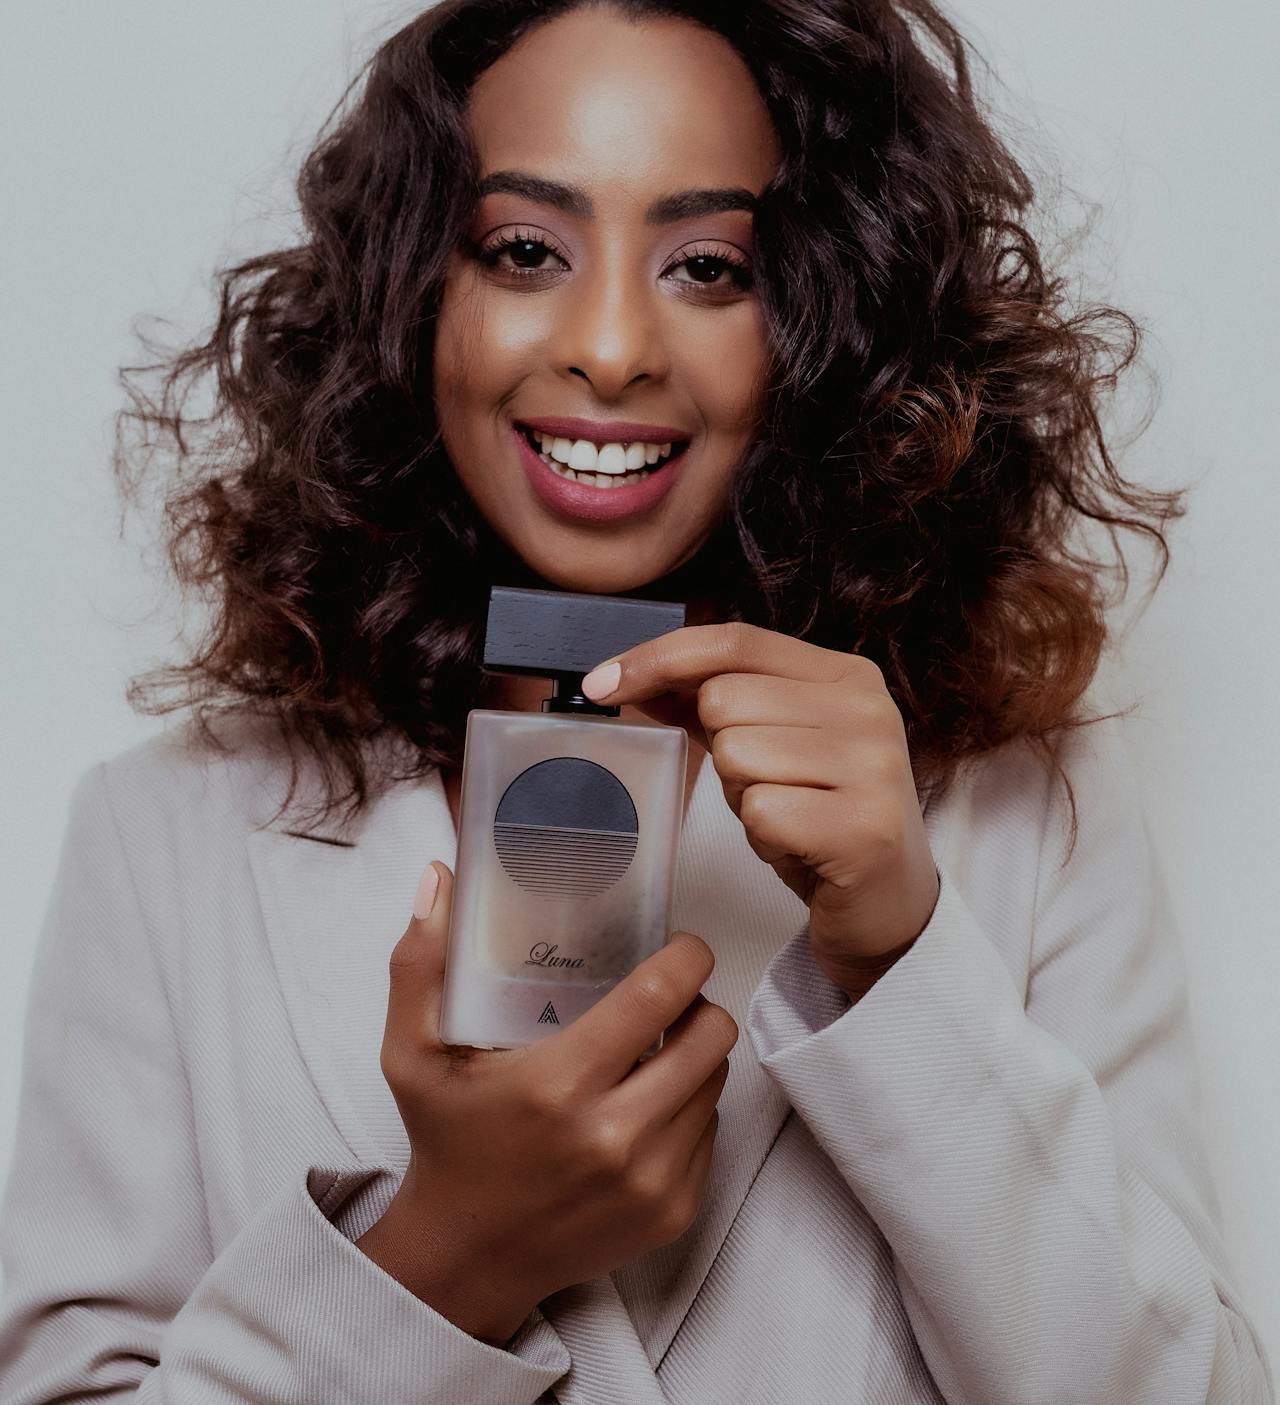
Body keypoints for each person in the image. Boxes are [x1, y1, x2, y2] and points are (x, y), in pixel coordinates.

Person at [0, 0, 1274, 1400]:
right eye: (526, 249)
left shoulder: (1026, 812)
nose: (610, 346)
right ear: (415, 293)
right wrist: (445, 1256)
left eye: (711, 266)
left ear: (829, 310)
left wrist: (902, 964)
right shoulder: (162, 836)